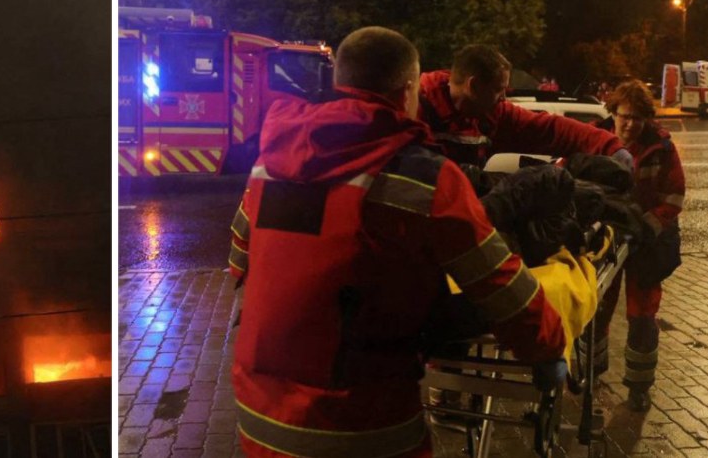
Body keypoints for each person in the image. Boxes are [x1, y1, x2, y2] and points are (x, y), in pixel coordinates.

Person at [229, 27, 569, 458]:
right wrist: (548, 345)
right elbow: (498, 282)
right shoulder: (425, 177)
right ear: (409, 88)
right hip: (360, 423)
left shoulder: (274, 160)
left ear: (338, 80)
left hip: (258, 416)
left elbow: (240, 258)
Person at [590, 80, 685, 412]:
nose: (630, 124)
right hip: (607, 238)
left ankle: (639, 386)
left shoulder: (661, 147)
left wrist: (646, 226)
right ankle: (589, 375)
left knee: (643, 316)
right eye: (624, 116)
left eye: (638, 118)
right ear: (613, 112)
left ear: (648, 119)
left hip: (646, 242)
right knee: (595, 308)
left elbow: (673, 197)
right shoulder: (594, 140)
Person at [418, 45, 630, 169]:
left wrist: (611, 147)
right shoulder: (417, 110)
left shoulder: (490, 114)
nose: (503, 97)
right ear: (473, 86)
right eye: (498, 89)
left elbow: (548, 129)